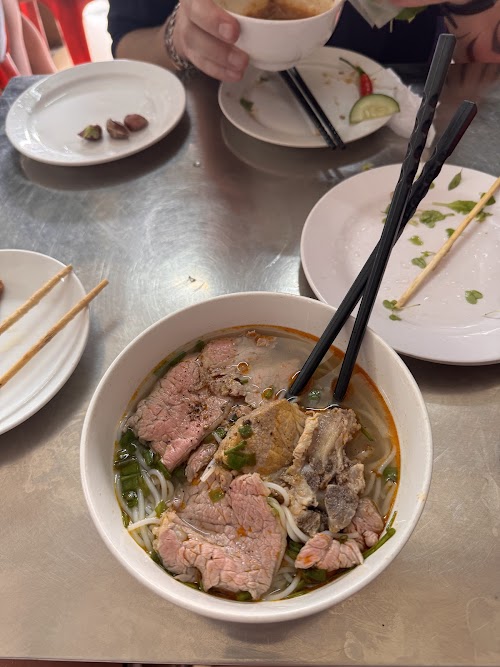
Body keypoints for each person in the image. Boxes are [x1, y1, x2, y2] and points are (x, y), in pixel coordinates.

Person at [108, 0, 500, 82]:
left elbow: (485, 65)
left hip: (399, 138)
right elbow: (126, 44)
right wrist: (178, 38)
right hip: (221, 147)